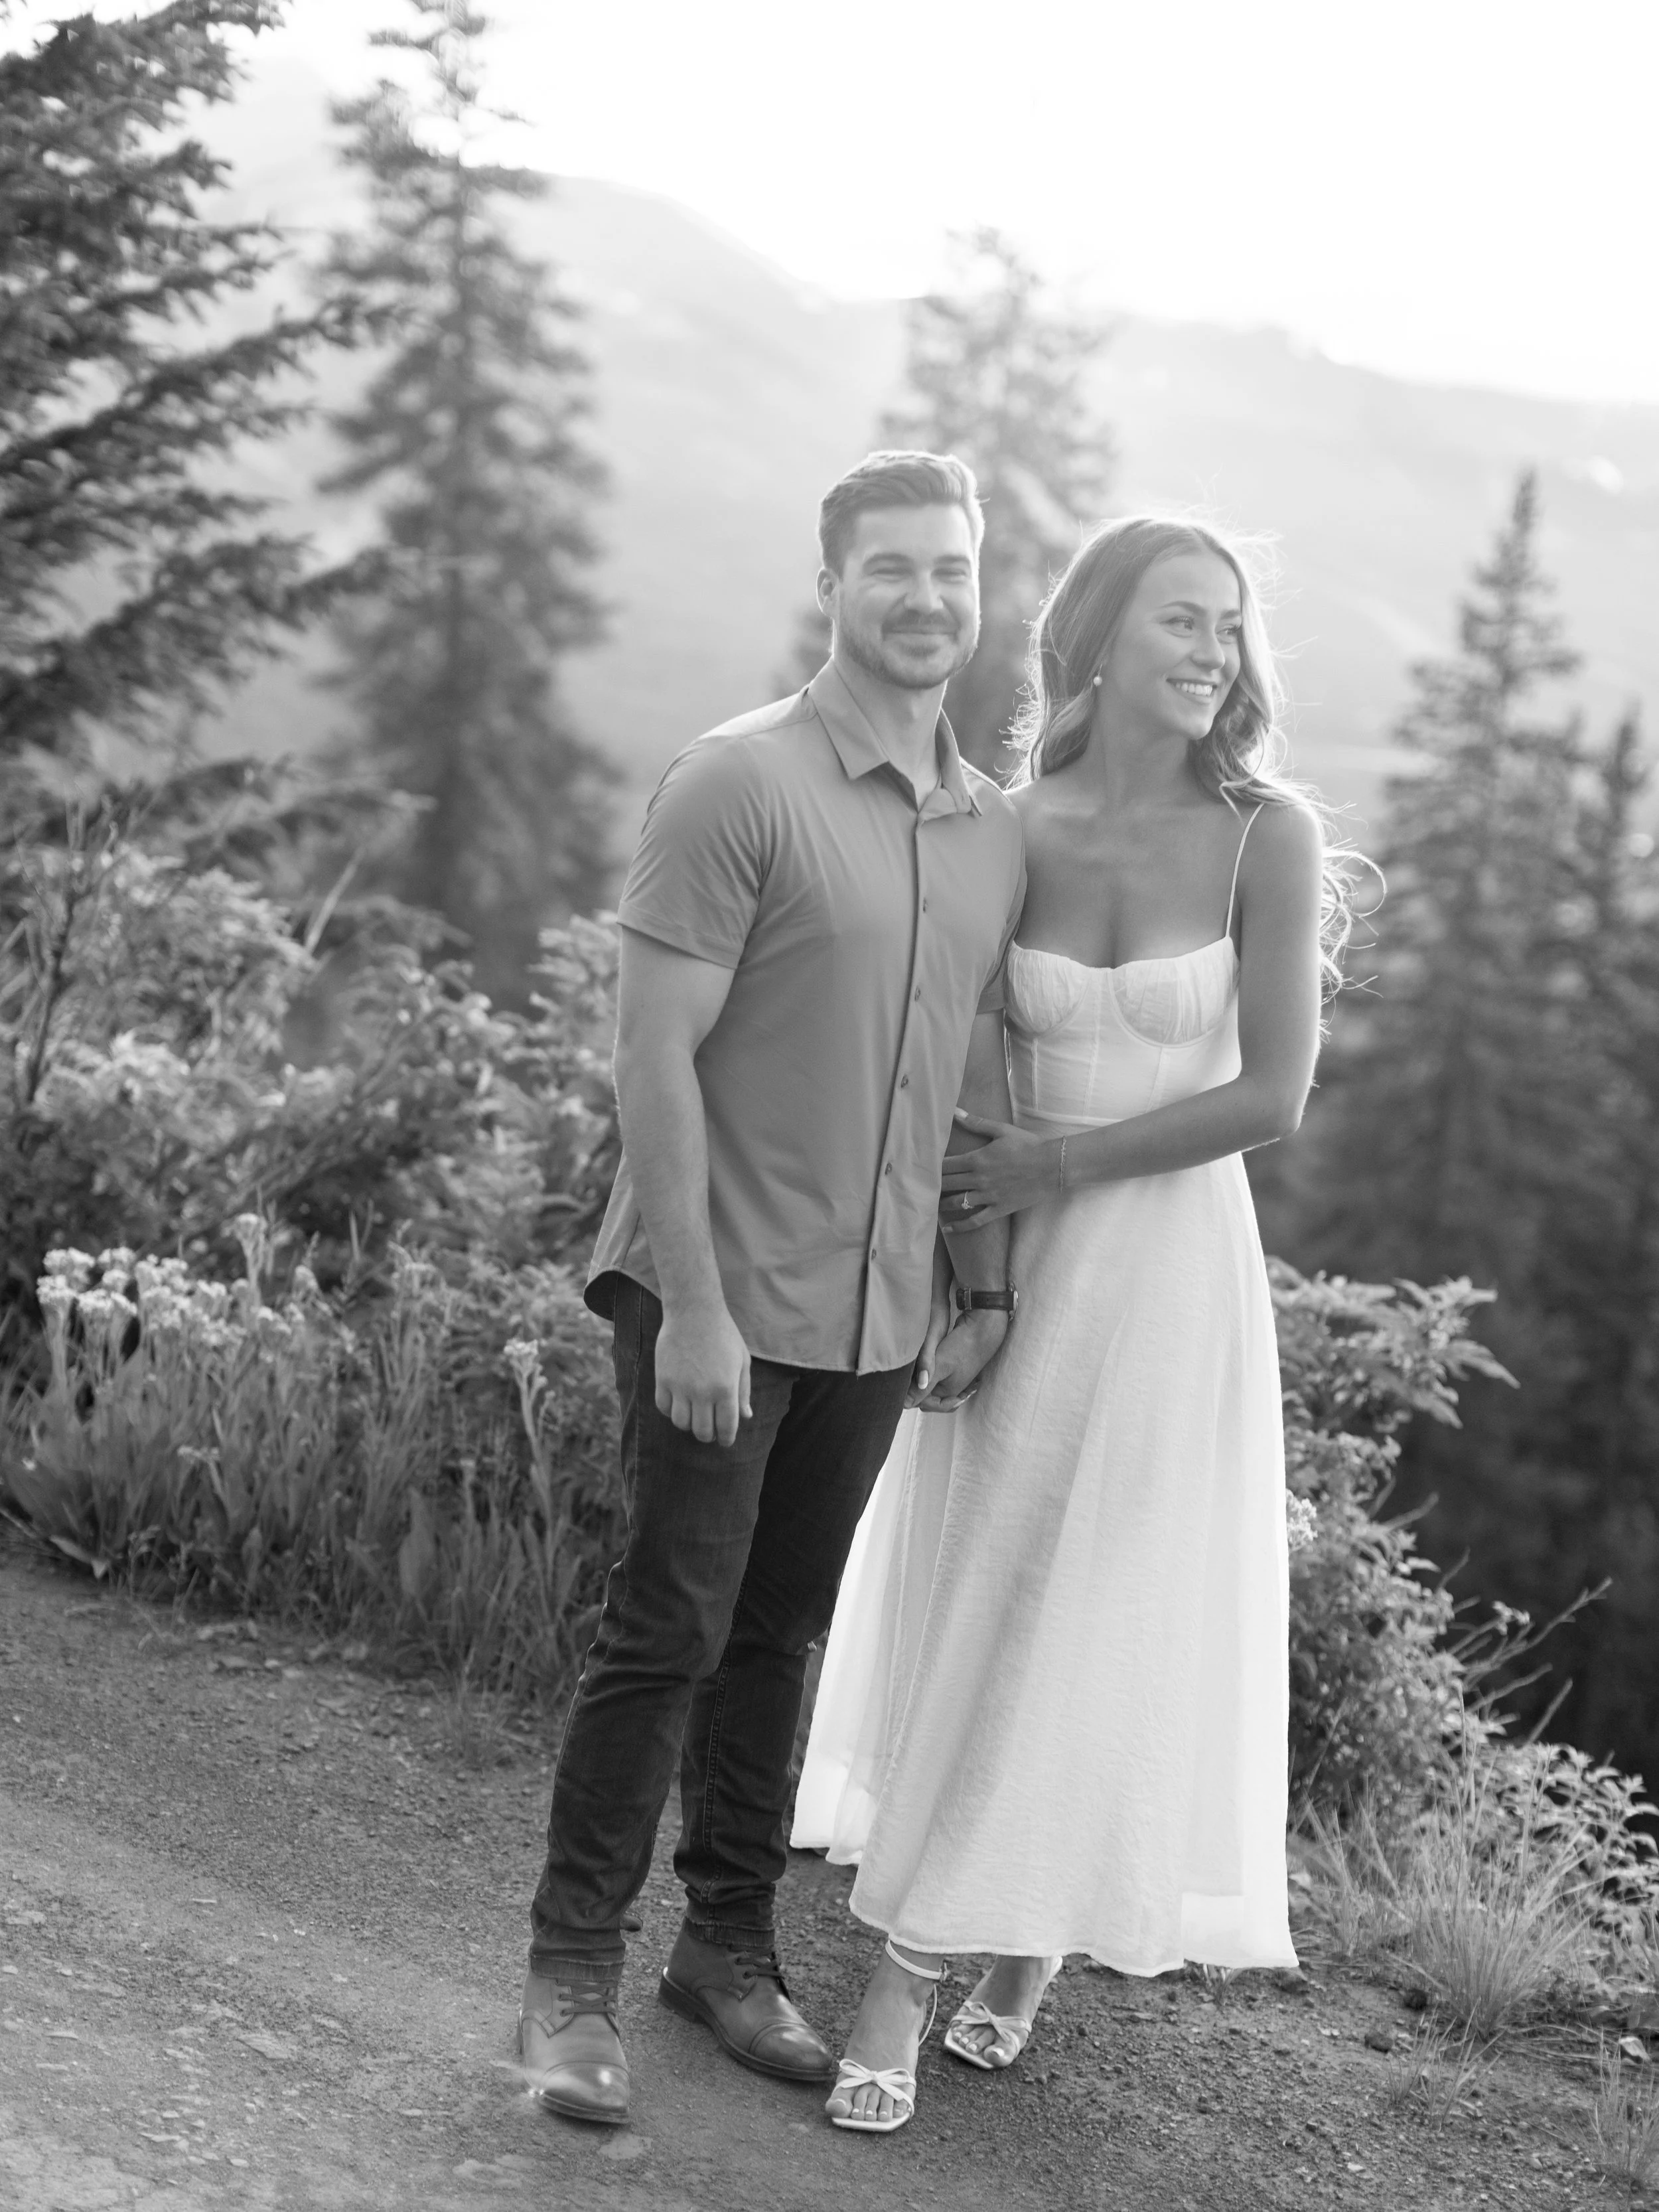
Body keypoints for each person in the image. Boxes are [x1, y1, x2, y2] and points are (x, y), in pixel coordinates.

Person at [794, 514, 1350, 2133]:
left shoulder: (1265, 836)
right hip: (1020, 1268)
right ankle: (993, 1925)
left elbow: (1271, 1094)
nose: (1212, 652)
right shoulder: (1008, 826)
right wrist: (977, 1277)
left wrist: (1062, 1161)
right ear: (1097, 638)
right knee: (992, 1584)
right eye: (1181, 619)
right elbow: (967, 1074)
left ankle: (916, 1965)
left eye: (1228, 627)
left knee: (1101, 1606)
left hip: (1169, 1271)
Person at [514, 450, 1027, 2128]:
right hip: (715, 1297)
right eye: (891, 567)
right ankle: (568, 1980)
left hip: (876, 1315)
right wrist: (696, 1304)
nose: (924, 598)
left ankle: (723, 1950)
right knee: (666, 1625)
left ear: (979, 590)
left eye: (950, 569)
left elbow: (963, 1080)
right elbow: (649, 1056)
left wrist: (972, 1281)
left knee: (780, 1634)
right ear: (832, 586)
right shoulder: (734, 782)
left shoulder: (987, 831)